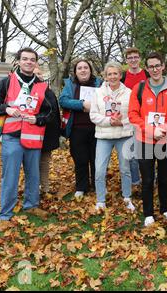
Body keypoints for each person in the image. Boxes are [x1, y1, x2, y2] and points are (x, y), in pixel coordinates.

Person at [0, 47, 56, 232]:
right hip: (12, 136)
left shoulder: (42, 86)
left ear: (36, 63)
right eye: (25, 59)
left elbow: (50, 111)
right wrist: (6, 109)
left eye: (32, 59)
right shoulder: (7, 82)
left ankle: (31, 205)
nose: (28, 62)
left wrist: (39, 119)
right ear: (18, 61)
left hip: (33, 136)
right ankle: (5, 215)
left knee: (33, 174)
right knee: (10, 176)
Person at [128, 52, 167, 227]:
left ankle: (165, 209)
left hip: (165, 140)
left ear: (163, 65)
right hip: (145, 140)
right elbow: (132, 114)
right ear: (147, 68)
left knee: (165, 178)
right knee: (147, 178)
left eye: (157, 65)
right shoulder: (139, 88)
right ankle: (148, 213)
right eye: (151, 66)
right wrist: (150, 130)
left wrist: (164, 130)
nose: (155, 69)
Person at [90, 61, 136, 211]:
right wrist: (109, 121)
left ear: (120, 75)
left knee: (125, 168)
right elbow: (93, 116)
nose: (112, 76)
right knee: (100, 169)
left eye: (115, 73)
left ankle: (127, 197)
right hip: (104, 136)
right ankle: (100, 200)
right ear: (105, 76)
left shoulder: (129, 93)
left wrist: (122, 122)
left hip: (124, 135)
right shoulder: (98, 93)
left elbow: (133, 114)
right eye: (109, 74)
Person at [59, 59, 102, 201]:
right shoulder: (70, 85)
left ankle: (98, 186)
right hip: (77, 129)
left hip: (97, 129)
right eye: (79, 68)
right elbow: (63, 100)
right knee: (80, 159)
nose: (83, 70)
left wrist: (95, 104)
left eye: (86, 68)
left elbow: (106, 100)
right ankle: (81, 187)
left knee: (97, 159)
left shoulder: (99, 84)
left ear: (90, 70)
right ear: (75, 72)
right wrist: (82, 104)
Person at [122, 47, 147, 187]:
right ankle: (135, 181)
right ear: (126, 60)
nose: (133, 60)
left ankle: (149, 179)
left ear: (139, 59)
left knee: (146, 153)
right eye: (130, 58)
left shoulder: (147, 75)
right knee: (131, 153)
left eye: (135, 57)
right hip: (128, 119)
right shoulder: (123, 77)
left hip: (145, 119)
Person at [33, 66, 60, 195]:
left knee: (44, 163)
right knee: (32, 164)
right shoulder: (28, 91)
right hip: (32, 133)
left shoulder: (48, 90)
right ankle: (33, 189)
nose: (38, 76)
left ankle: (45, 188)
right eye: (35, 74)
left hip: (47, 134)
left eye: (40, 73)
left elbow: (54, 112)